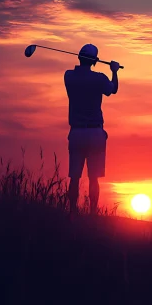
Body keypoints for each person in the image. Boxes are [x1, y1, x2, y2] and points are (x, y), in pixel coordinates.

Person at [64, 43, 120, 216]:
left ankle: (72, 212)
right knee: (93, 178)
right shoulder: (100, 79)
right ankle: (93, 213)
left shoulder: (68, 76)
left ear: (79, 57)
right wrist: (114, 71)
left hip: (76, 132)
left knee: (74, 177)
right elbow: (113, 89)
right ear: (95, 61)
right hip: (95, 133)